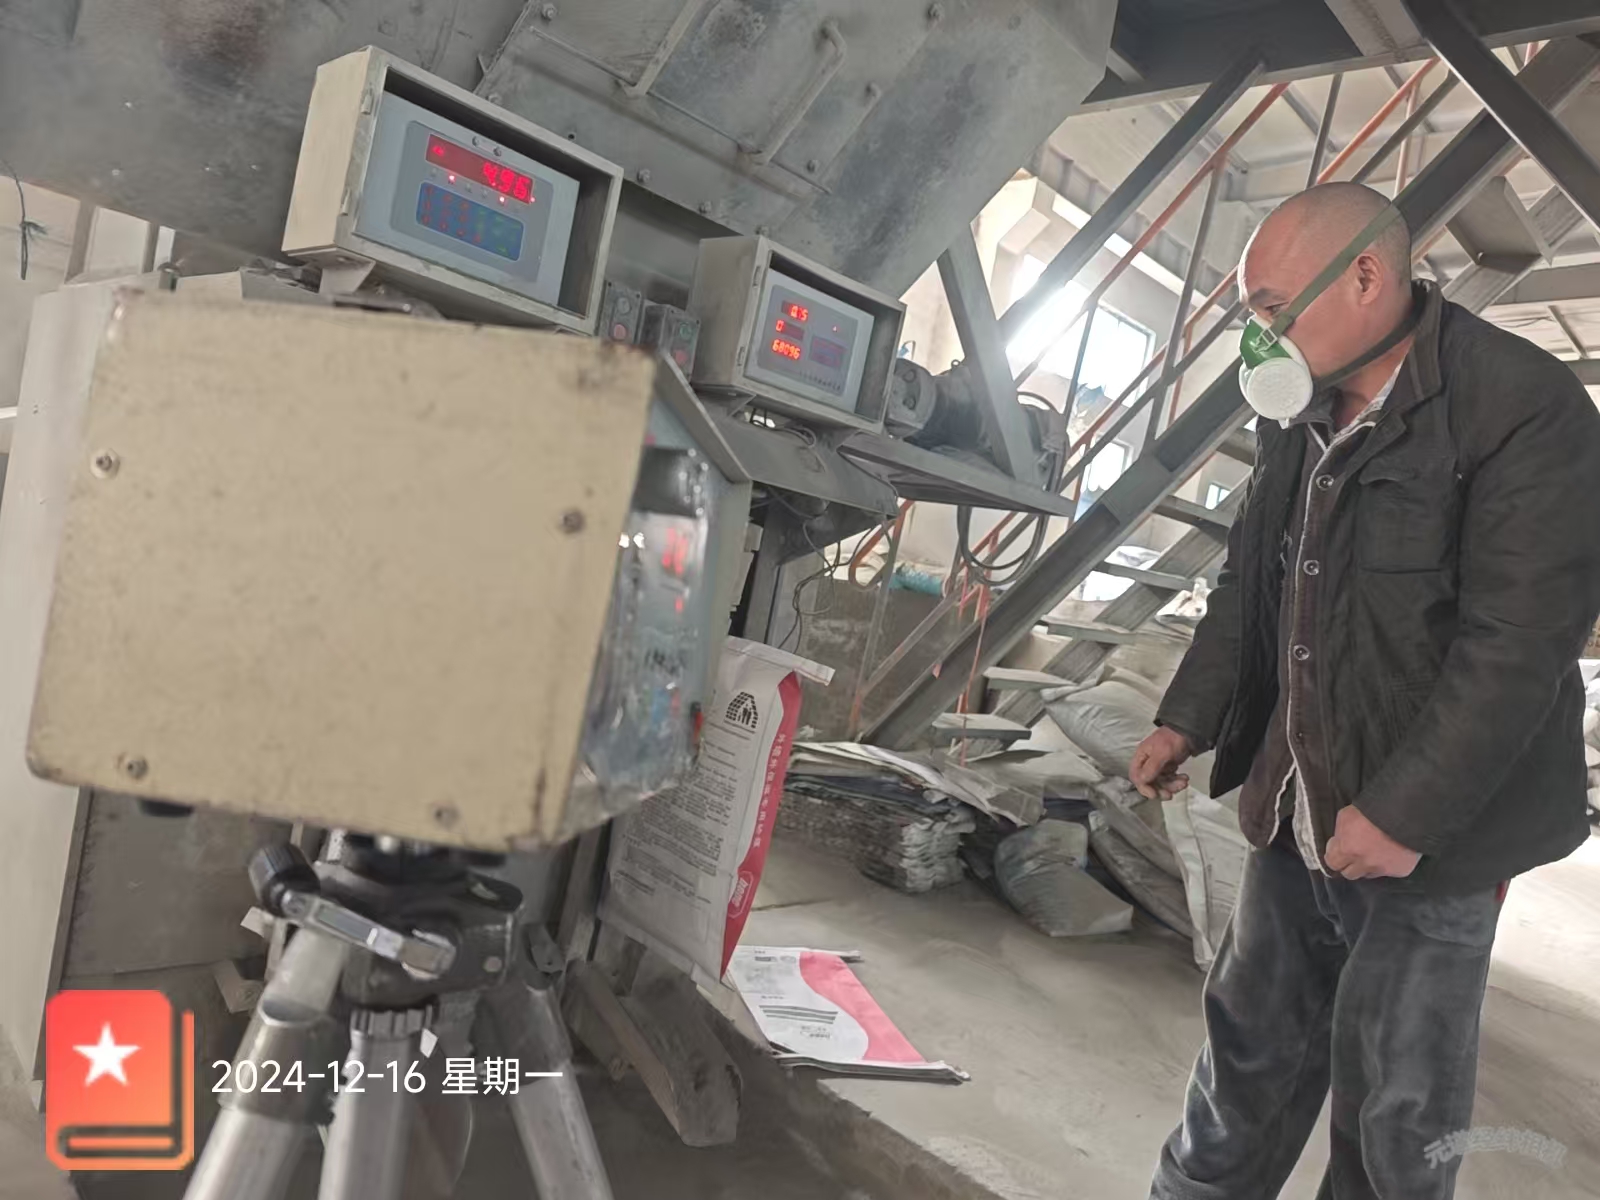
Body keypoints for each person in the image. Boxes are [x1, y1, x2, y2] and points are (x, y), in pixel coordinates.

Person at [1133, 181, 1600, 1200]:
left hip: (1429, 845)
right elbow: (1250, 581)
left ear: (1366, 277)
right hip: (1294, 807)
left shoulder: (1521, 407)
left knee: (1395, 1115)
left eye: (1271, 308)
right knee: (1241, 1070)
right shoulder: (1297, 412)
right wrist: (1188, 717)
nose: (1259, 337)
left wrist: (1402, 815)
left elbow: (1518, 643)